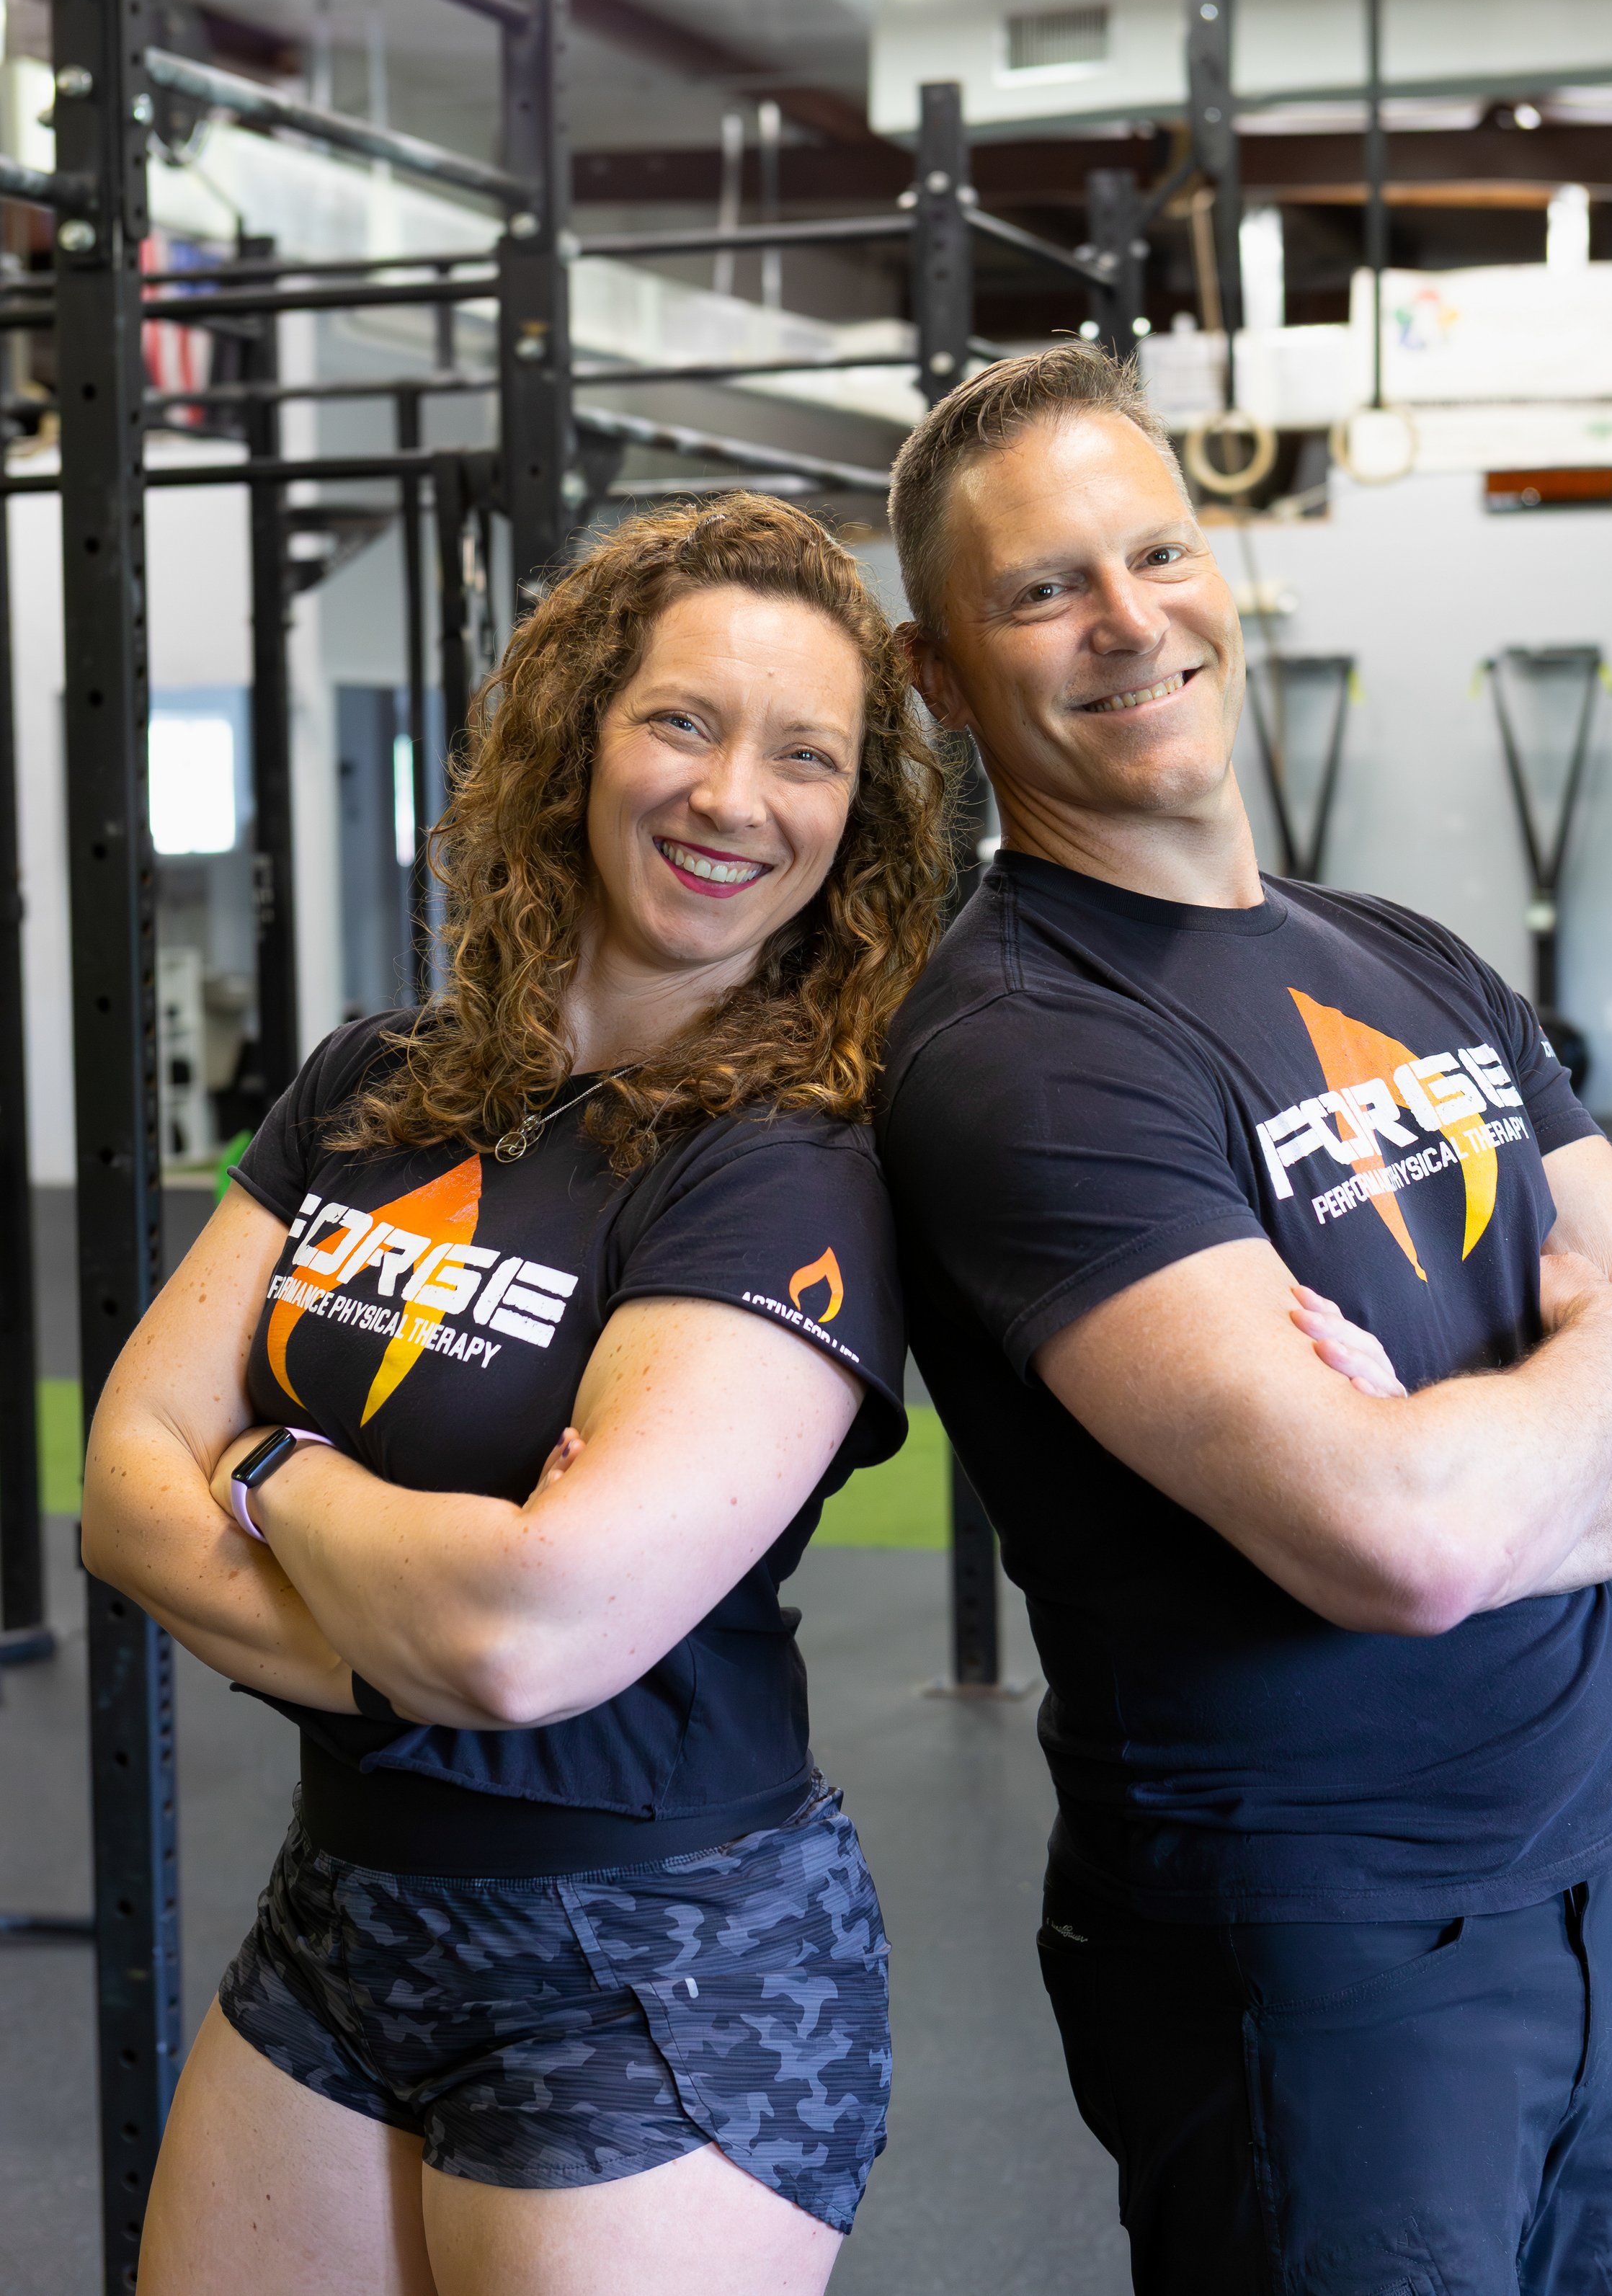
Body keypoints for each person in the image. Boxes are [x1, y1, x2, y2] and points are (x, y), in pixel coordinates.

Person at [876, 345, 1612, 2296]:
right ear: (940, 677)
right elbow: (1408, 1527)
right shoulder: (1026, 1050)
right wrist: (1600, 1353)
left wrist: (1468, 1486)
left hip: (1558, 1886)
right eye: (1042, 590)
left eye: (1156, 553)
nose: (1129, 621)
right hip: (1307, 1953)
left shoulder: (1405, 956)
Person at [84, 493, 950, 2296]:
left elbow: (519, 1640)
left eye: (804, 756)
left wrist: (268, 1465)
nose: (732, 797)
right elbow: (120, 1486)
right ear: (578, 736)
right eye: (682, 721)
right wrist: (408, 1633)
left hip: (654, 1957)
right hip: (340, 1919)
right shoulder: (365, 1086)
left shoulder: (784, 1167)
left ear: (853, 820)